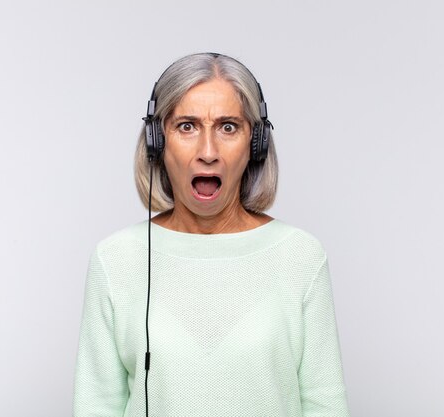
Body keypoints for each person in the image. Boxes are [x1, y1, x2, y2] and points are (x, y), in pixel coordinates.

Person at [74, 52, 350, 417]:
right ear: (158, 143)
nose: (208, 152)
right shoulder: (116, 259)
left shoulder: (301, 256)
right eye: (187, 126)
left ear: (257, 144)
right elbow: (97, 406)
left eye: (228, 127)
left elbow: (325, 405)